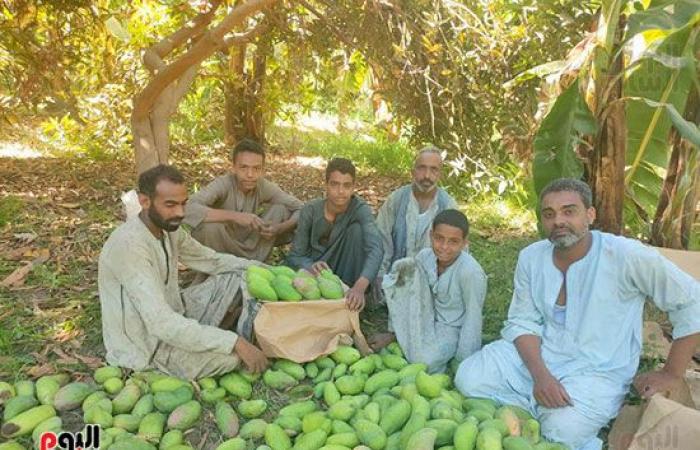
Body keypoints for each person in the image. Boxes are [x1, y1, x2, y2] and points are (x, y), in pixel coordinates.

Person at [454, 178, 700, 450]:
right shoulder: (531, 257)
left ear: (590, 215)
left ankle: (530, 412)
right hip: (539, 357)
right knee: (468, 377)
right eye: (549, 214)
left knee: (563, 429)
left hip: (597, 369)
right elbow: (522, 322)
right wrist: (541, 376)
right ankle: (533, 411)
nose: (558, 221)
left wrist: (672, 373)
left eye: (569, 211)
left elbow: (692, 300)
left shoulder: (626, 256)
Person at [98, 164, 269, 380]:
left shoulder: (168, 229)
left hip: (175, 313)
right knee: (232, 358)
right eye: (170, 205)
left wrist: (272, 271)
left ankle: (221, 338)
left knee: (239, 275)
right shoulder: (129, 246)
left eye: (183, 204)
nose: (180, 213)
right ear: (144, 201)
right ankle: (228, 341)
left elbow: (212, 260)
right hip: (145, 345)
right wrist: (234, 342)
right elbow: (160, 322)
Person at [370, 209, 486, 373]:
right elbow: (412, 295)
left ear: (465, 242)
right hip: (424, 315)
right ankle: (397, 336)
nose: (444, 247)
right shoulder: (425, 257)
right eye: (439, 238)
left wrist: (464, 363)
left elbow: (473, 319)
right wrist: (394, 333)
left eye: (453, 241)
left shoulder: (470, 273)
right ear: (431, 235)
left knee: (423, 362)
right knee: (405, 267)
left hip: (451, 328)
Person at [286, 157, 383, 312]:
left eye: (346, 185)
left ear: (353, 187)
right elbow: (295, 255)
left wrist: (359, 287)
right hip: (316, 273)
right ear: (326, 185)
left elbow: (376, 248)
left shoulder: (360, 209)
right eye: (334, 184)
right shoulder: (310, 211)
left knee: (357, 231)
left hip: (346, 272)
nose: (340, 191)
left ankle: (352, 299)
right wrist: (310, 266)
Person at [183, 138, 303, 262]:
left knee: (280, 209)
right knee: (210, 228)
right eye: (244, 168)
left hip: (252, 246)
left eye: (256, 168)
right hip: (221, 247)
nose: (250, 174)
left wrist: (280, 228)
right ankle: (220, 267)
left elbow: (301, 208)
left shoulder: (262, 185)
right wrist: (235, 216)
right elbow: (187, 208)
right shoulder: (223, 184)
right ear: (233, 168)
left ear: (262, 170)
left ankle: (254, 264)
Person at [376, 146, 457, 279]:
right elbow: (380, 240)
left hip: (432, 282)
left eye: (433, 169)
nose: (427, 176)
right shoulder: (397, 200)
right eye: (422, 168)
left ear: (440, 174)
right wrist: (379, 276)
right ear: (413, 172)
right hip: (396, 278)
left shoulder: (448, 206)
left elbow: (456, 252)